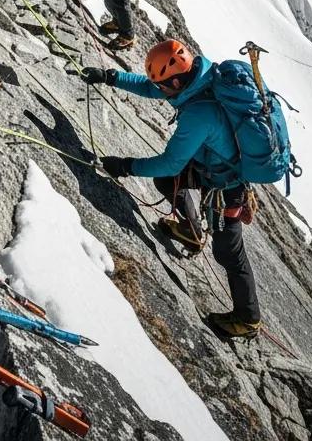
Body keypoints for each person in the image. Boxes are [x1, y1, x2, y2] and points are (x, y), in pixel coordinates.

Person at [83, 38, 262, 338]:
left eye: (165, 85)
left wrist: (126, 166)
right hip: (211, 169)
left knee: (229, 253)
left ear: (176, 80)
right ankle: (192, 234)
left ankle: (248, 318)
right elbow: (151, 87)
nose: (161, 91)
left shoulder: (198, 114)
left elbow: (170, 162)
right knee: (166, 182)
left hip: (226, 187)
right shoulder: (195, 81)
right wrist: (111, 77)